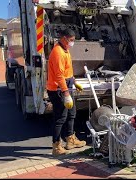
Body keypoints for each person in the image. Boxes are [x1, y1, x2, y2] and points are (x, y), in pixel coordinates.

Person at [46, 28, 86, 156]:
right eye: (71, 40)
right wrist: (66, 93)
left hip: (66, 87)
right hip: (58, 89)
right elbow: (58, 75)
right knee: (60, 117)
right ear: (64, 38)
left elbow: (67, 70)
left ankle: (70, 139)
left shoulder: (65, 50)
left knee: (71, 114)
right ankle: (56, 146)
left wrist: (74, 82)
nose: (72, 43)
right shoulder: (58, 52)